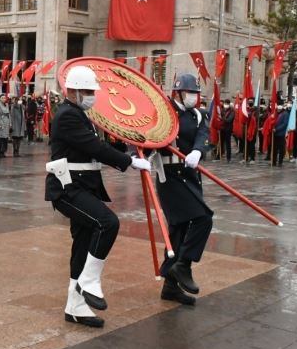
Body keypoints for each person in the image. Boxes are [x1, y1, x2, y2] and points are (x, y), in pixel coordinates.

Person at [45, 65, 146, 328]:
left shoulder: (80, 114)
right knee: (107, 223)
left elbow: (98, 147)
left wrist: (129, 145)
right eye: (88, 91)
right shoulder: (68, 115)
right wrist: (128, 161)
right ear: (75, 91)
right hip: (67, 188)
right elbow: (93, 147)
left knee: (83, 242)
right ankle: (88, 283)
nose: (92, 95)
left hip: (83, 187)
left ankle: (75, 306)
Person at [149, 74, 214, 307]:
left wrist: (198, 150)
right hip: (170, 177)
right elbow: (147, 137)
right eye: (190, 92)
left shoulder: (198, 114)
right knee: (204, 218)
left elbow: (203, 135)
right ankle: (183, 265)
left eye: (196, 93)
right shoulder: (164, 113)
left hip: (190, 175)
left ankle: (170, 286)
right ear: (177, 93)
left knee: (179, 229)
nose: (193, 97)